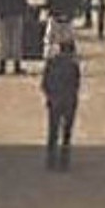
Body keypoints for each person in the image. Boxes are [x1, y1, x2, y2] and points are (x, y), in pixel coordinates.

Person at [41, 38, 81, 170]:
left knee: (53, 132)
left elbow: (45, 84)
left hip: (55, 101)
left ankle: (51, 161)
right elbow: (76, 84)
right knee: (66, 133)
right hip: (69, 102)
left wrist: (50, 96)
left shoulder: (51, 64)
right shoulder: (73, 66)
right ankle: (64, 162)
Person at [0, 0, 28, 75]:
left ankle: (2, 66)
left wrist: (0, 13)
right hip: (16, 15)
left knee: (4, 42)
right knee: (16, 42)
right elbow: (23, 2)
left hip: (4, 17)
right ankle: (16, 66)